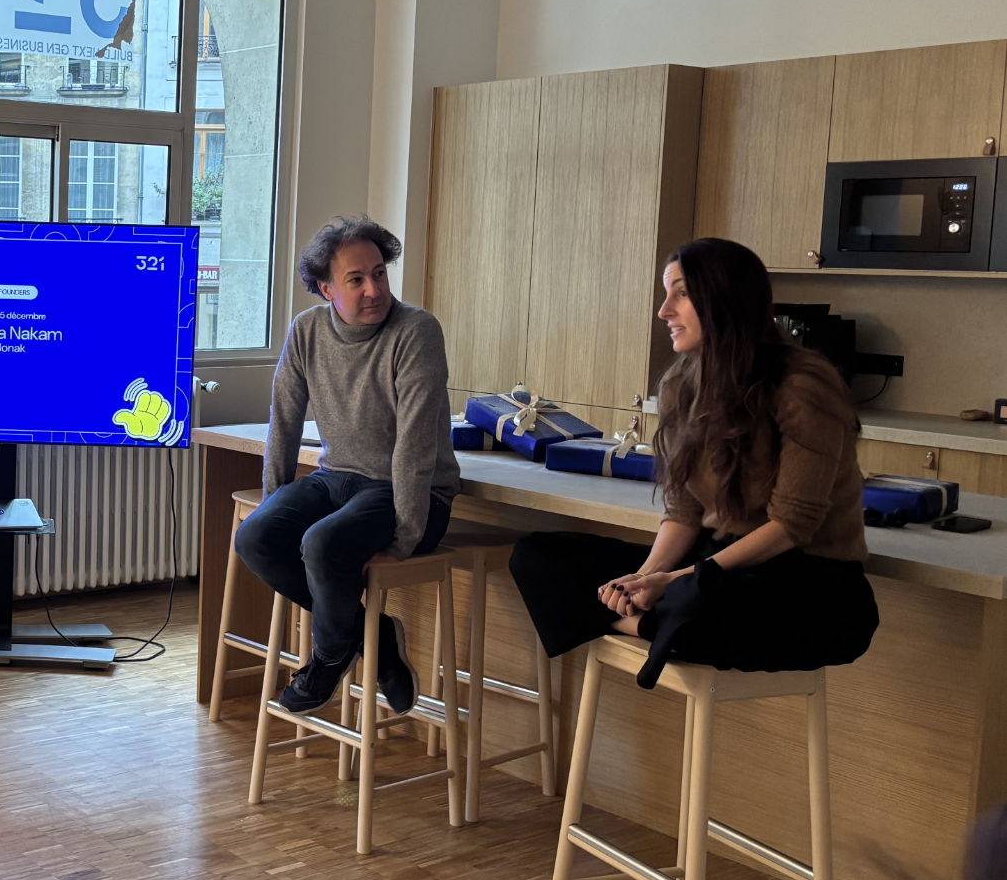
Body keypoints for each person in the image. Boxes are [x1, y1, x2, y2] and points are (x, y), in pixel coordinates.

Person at [508, 238, 877, 686]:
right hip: (711, 563)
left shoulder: (803, 385)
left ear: (727, 299)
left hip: (806, 580)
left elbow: (792, 525)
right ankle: (654, 625)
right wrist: (641, 580)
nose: (664, 311)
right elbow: (685, 512)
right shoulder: (679, 387)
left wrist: (672, 582)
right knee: (537, 556)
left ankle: (650, 626)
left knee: (703, 602)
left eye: (681, 294)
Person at [234, 215, 461, 718]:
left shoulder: (416, 331)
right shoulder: (307, 331)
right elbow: (284, 420)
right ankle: (372, 635)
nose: (373, 289)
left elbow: (414, 443)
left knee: (322, 544)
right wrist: (274, 501)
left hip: (409, 494)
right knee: (254, 537)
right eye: (355, 279)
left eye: (378, 274)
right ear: (326, 289)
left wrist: (404, 537)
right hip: (337, 478)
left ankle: (329, 657)